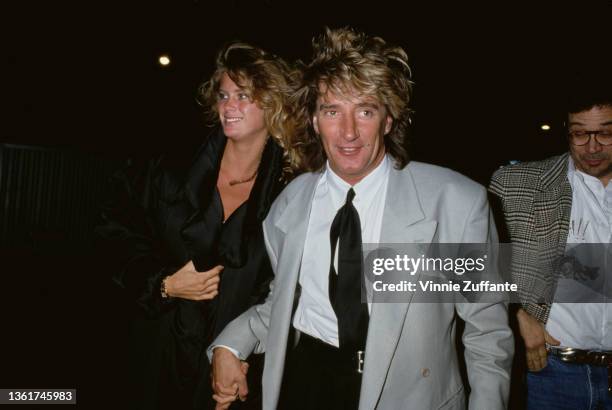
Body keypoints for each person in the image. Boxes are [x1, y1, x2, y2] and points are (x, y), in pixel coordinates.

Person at [210, 27, 513, 410]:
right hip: (307, 383)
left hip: (407, 395)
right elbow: (288, 303)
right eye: (332, 111)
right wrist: (229, 342)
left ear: (388, 119)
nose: (348, 132)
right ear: (315, 120)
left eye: (365, 111)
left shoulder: (457, 202)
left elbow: (487, 330)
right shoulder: (289, 204)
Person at [97, 41, 303, 409]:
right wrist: (162, 283)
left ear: (273, 104)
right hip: (153, 356)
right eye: (223, 95)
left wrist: (244, 345)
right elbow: (112, 231)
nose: (229, 106)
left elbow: (290, 288)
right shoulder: (169, 170)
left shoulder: (291, 194)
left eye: (243, 95)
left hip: (229, 370)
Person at [489, 74, 612, 409]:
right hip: (549, 374)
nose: (592, 146)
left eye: (605, 132)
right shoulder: (516, 185)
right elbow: (476, 266)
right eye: (579, 133)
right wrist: (516, 315)